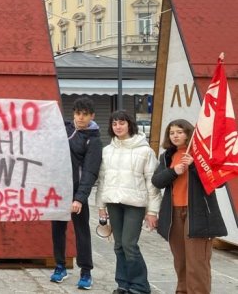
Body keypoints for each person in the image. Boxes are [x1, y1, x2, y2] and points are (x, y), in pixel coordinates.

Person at [151, 119, 227, 294]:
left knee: (197, 262)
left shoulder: (201, 154)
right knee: (181, 261)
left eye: (179, 132)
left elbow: (217, 182)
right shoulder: (166, 156)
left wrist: (194, 166)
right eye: (172, 133)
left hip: (198, 214)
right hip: (174, 214)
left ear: (188, 133)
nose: (175, 136)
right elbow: (157, 181)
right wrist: (173, 171)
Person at [96, 110, 161, 294]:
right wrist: (101, 206)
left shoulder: (145, 151)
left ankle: (140, 286)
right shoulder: (107, 151)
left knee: (129, 244)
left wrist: (152, 211)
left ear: (129, 124)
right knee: (118, 245)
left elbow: (152, 183)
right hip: (113, 203)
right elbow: (102, 180)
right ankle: (123, 284)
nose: (118, 126)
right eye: (114, 123)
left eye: (121, 123)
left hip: (135, 203)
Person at [50, 97, 102, 289]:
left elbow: (90, 171)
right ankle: (60, 266)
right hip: (58, 190)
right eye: (78, 113)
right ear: (73, 114)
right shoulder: (65, 128)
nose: (81, 118)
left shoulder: (93, 140)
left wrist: (80, 198)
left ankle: (86, 272)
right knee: (57, 230)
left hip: (76, 191)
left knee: (81, 232)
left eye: (85, 114)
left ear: (92, 116)